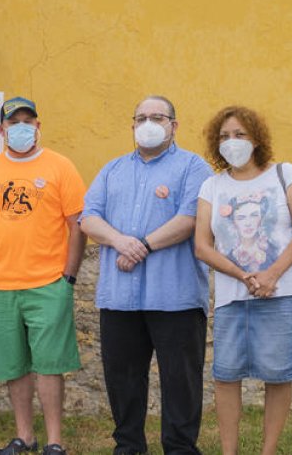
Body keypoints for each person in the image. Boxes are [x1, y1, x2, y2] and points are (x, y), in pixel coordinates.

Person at [80, 96, 213, 455]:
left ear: (174, 125)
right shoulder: (113, 170)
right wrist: (120, 241)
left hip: (176, 297)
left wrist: (142, 246)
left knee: (181, 381)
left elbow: (190, 219)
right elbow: (88, 216)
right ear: (133, 124)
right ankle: (128, 447)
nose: (149, 123)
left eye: (158, 117)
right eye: (142, 117)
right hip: (120, 297)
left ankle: (180, 448)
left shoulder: (193, 168)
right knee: (122, 381)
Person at [0, 97, 87, 455]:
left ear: (38, 126)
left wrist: (69, 278)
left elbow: (78, 225)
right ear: (1, 130)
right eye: (13, 123)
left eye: (28, 121)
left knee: (48, 365)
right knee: (13, 364)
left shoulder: (60, 167)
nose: (21, 128)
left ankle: (55, 442)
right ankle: (24, 437)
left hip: (48, 284)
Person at [193, 106, 292, 455]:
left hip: (283, 293)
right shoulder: (211, 185)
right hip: (234, 295)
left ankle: (268, 450)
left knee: (279, 374)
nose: (232, 142)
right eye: (224, 136)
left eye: (240, 134)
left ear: (257, 138)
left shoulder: (285, 174)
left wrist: (271, 274)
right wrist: (244, 276)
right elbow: (202, 245)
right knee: (226, 374)